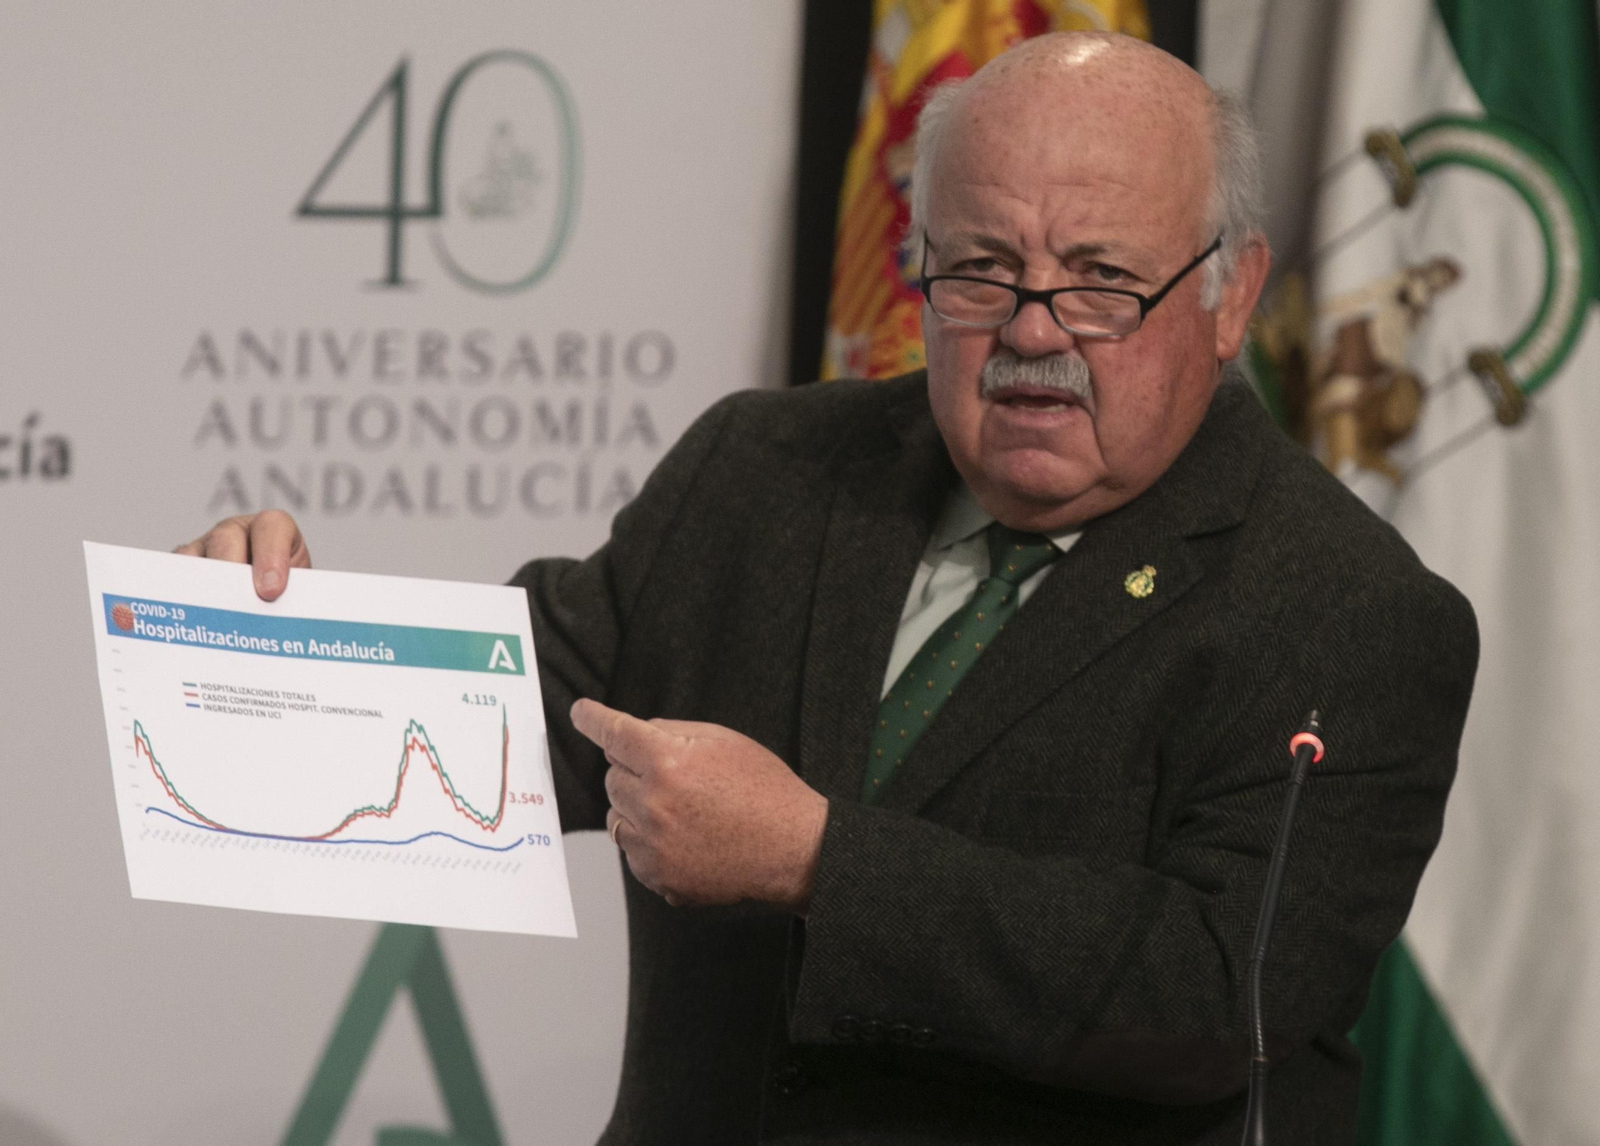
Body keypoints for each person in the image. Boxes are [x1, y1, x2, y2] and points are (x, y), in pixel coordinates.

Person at [179, 32, 1478, 1145]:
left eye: (1100, 280)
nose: (1032, 328)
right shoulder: (768, 470)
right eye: (981, 269)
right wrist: (261, 642)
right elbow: (509, 723)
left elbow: (1220, 1000)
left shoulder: (1347, 611)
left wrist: (817, 859)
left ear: (1230, 294)